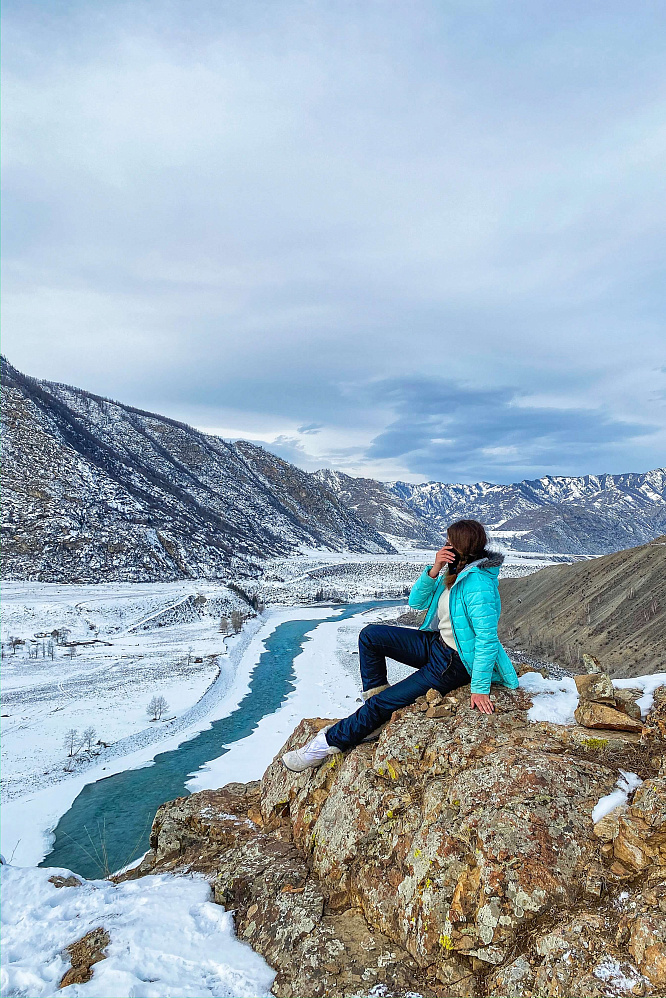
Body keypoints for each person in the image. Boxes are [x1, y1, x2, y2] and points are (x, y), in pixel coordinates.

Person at [282, 518, 519, 772]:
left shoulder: (478, 584)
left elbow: (486, 639)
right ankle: (377, 713)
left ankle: (322, 746)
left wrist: (479, 688)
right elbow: (416, 602)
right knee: (370, 636)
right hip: (437, 645)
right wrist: (435, 568)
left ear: (462, 545)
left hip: (454, 662)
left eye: (450, 541)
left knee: (379, 705)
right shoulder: (455, 571)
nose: (445, 545)